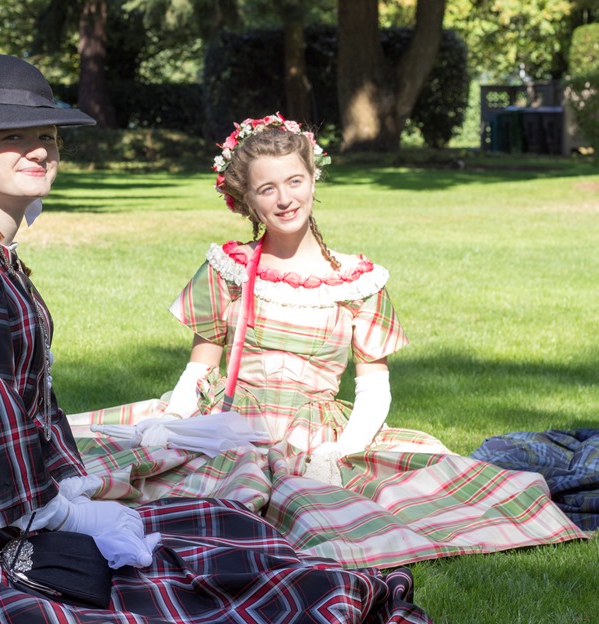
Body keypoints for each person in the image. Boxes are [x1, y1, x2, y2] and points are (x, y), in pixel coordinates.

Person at [0, 58, 434, 623]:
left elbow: (16, 409)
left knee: (216, 527)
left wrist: (69, 497)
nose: (38, 147)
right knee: (166, 589)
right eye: (11, 135)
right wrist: (63, 517)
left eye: (47, 136)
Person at [69, 113, 587, 569]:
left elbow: (373, 385)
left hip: (314, 428)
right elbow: (201, 364)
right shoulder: (228, 268)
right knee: (126, 471)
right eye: (266, 188)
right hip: (230, 418)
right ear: (245, 197)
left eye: (295, 180)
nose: (284, 197)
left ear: (314, 178)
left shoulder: (360, 281)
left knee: (408, 496)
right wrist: (177, 422)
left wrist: (344, 450)